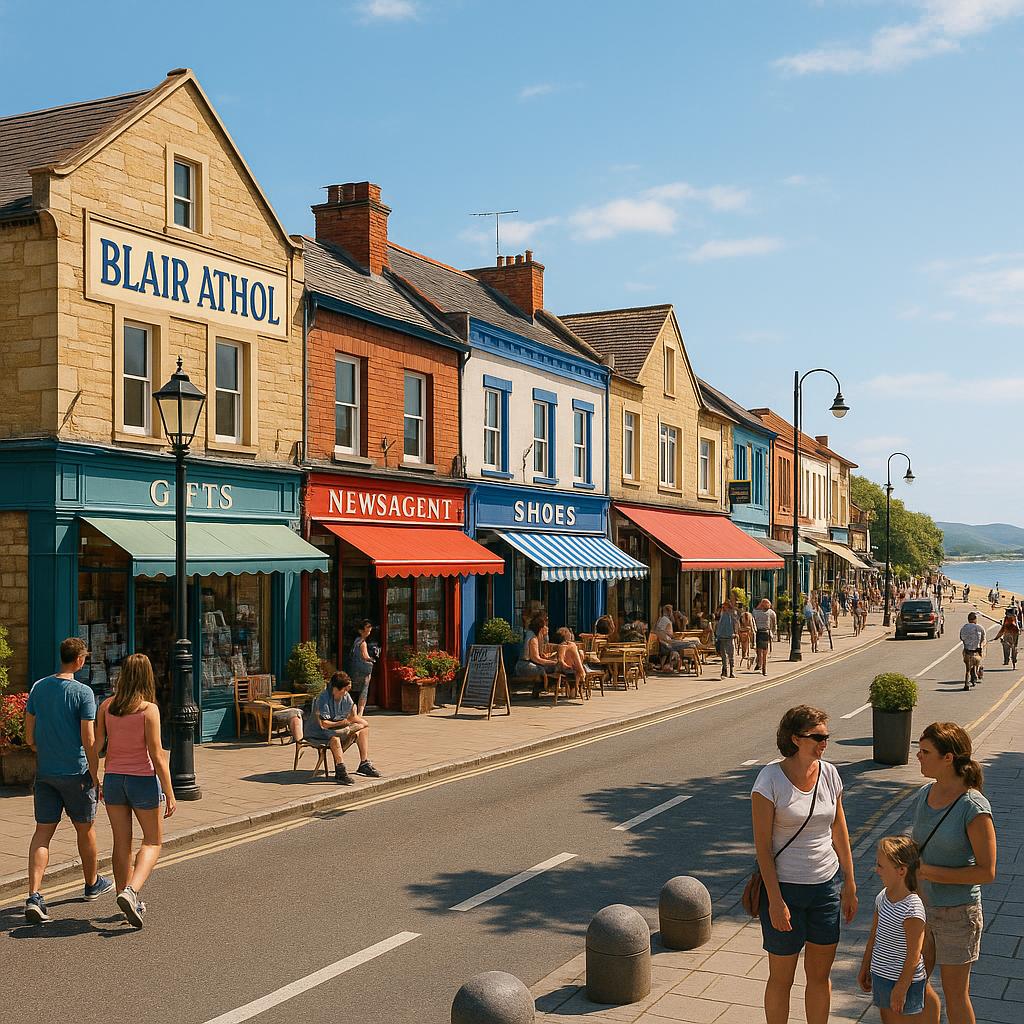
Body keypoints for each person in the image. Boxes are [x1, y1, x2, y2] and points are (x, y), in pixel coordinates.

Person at [751, 706, 857, 1024]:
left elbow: (840, 831)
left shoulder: (830, 774)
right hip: (784, 890)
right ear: (796, 739)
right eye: (818, 737)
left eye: (826, 736)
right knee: (782, 979)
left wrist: (849, 883)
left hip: (825, 887)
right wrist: (776, 902)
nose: (824, 742)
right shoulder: (769, 781)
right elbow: (763, 848)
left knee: (819, 977)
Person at [23, 637, 112, 923]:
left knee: (42, 833)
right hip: (76, 774)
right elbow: (89, 739)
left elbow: (28, 736)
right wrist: (95, 774)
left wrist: (42, 748)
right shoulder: (83, 692)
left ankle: (34, 895)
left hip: (46, 773)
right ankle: (91, 884)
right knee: (85, 830)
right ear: (80, 660)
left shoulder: (39, 687)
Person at [912, 723, 996, 1024]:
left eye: (925, 752)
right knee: (914, 983)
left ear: (948, 758)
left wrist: (929, 872)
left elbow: (986, 872)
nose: (918, 757)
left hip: (958, 913)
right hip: (921, 909)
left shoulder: (973, 806)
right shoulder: (924, 794)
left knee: (955, 995)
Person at [93, 653, 175, 929]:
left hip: (114, 780)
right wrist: (170, 791)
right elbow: (157, 754)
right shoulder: (148, 710)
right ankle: (131, 891)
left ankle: (124, 896)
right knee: (153, 841)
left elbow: (97, 747)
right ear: (147, 676)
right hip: (142, 779)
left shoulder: (107, 706)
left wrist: (94, 777)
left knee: (121, 843)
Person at [858, 835, 939, 1024]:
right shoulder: (882, 897)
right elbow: (874, 936)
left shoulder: (912, 908)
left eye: (881, 866)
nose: (876, 870)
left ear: (901, 871)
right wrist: (865, 965)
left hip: (903, 981)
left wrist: (902, 986)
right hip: (882, 975)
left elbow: (914, 953)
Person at [304, 672, 381, 785]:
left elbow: (352, 717)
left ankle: (364, 764)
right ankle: (340, 771)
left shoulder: (345, 696)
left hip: (336, 728)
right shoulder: (323, 698)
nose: (346, 692)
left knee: (363, 729)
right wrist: (345, 722)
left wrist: (364, 723)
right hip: (319, 733)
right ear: (335, 689)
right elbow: (324, 724)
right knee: (335, 739)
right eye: (344, 690)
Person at [514, 612, 558, 696]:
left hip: (530, 663)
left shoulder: (537, 636)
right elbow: (536, 659)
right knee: (547, 668)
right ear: (540, 627)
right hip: (524, 665)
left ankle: (541, 688)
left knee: (549, 667)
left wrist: (544, 636)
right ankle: (543, 687)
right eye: (545, 625)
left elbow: (541, 653)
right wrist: (554, 662)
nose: (547, 627)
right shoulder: (533, 638)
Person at [348, 619, 376, 715]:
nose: (368, 632)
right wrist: (372, 659)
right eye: (367, 630)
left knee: (353, 691)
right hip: (363, 671)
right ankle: (360, 713)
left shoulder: (356, 641)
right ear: (361, 631)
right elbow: (365, 657)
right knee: (363, 691)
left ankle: (352, 711)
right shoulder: (363, 643)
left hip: (354, 669)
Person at [553, 627, 587, 695]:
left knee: (580, 653)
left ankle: (576, 685)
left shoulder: (568, 644)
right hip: (563, 667)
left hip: (571, 665)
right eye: (569, 633)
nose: (571, 634)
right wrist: (567, 666)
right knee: (576, 649)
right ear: (565, 634)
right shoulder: (563, 646)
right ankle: (579, 680)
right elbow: (560, 660)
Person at [958, 613, 986, 691]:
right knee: (980, 661)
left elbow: (961, 638)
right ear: (975, 619)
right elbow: (983, 639)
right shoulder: (980, 628)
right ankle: (978, 672)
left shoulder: (964, 628)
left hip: (967, 652)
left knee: (967, 669)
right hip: (976, 652)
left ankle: (966, 683)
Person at [752, 599, 777, 676]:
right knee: (759, 652)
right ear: (763, 604)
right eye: (768, 605)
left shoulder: (770, 612)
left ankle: (764, 668)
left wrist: (772, 633)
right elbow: (753, 623)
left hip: (765, 632)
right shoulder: (755, 612)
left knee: (764, 652)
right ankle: (760, 664)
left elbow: (774, 623)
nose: (769, 606)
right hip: (759, 632)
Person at [716, 601, 739, 679]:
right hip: (722, 637)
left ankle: (732, 671)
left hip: (730, 637)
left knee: (731, 655)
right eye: (723, 606)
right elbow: (718, 624)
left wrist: (736, 633)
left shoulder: (732, 614)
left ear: (728, 606)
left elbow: (736, 624)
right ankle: (725, 670)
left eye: (724, 606)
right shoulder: (721, 614)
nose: (723, 608)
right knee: (723, 655)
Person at [737, 602, 755, 669]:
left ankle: (744, 655)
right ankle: (746, 656)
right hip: (746, 632)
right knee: (746, 646)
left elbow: (739, 625)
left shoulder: (742, 615)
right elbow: (751, 624)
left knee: (744, 645)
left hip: (743, 632)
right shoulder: (749, 615)